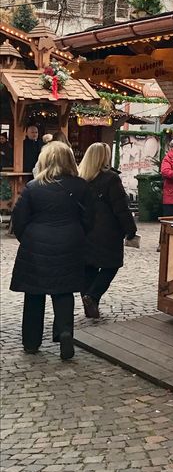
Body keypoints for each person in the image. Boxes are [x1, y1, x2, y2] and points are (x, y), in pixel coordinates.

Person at [10, 141, 94, 360]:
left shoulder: (33, 187)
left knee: (34, 294)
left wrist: (27, 238)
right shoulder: (81, 186)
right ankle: (64, 331)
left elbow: (18, 220)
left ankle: (31, 341)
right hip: (70, 242)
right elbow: (90, 219)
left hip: (36, 244)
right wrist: (77, 235)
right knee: (64, 291)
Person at [78, 142, 138, 319]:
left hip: (84, 231)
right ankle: (92, 296)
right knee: (111, 265)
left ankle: (89, 301)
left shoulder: (80, 178)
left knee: (88, 267)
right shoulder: (111, 178)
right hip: (107, 232)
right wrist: (130, 230)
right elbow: (121, 208)